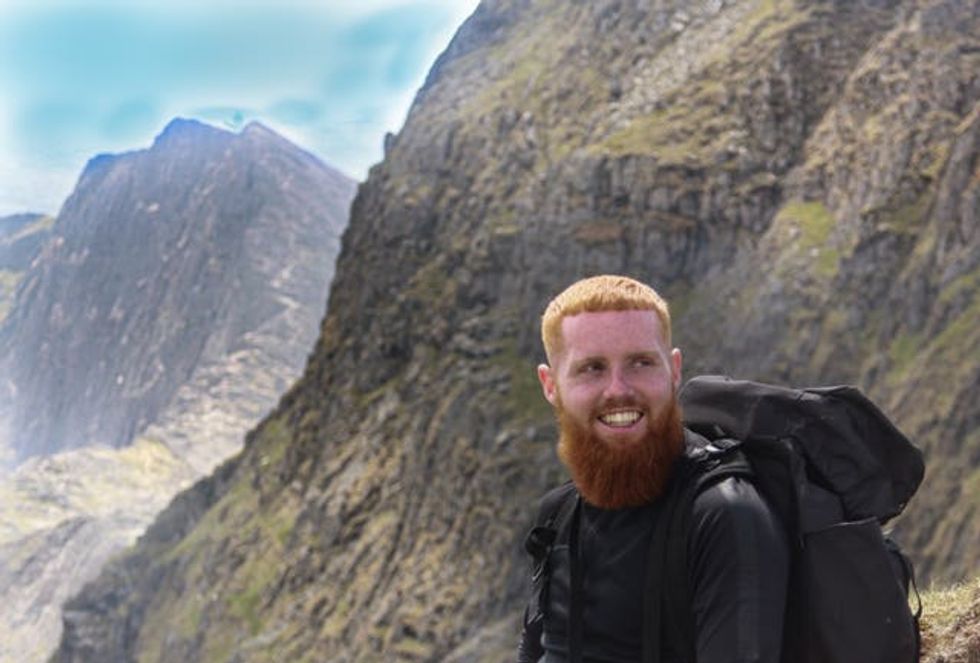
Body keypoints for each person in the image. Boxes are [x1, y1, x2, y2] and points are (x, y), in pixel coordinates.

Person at [518, 274, 789, 663]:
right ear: (550, 385)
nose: (618, 390)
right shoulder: (559, 516)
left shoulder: (722, 516)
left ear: (674, 369)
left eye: (641, 363)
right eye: (592, 368)